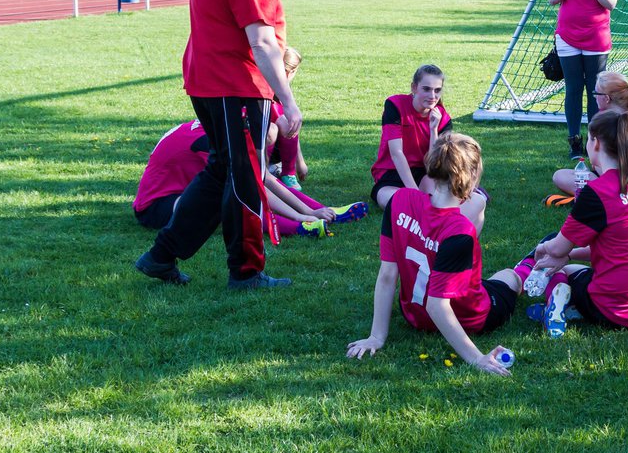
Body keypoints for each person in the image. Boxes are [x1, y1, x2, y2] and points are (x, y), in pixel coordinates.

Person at [134, 0, 310, 289]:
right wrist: (288, 100)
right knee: (245, 177)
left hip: (209, 82)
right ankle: (246, 272)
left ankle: (161, 256)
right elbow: (263, 43)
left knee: (220, 171)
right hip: (236, 87)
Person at [347, 134, 522, 375]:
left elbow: (388, 274)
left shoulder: (399, 200)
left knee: (476, 213)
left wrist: (377, 336)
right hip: (468, 317)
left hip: (414, 314)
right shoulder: (459, 231)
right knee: (510, 276)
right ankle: (538, 263)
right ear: (471, 177)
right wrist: (477, 358)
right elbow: (437, 306)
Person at [523, 110, 628, 337]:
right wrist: (568, 253)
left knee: (562, 266)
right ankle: (574, 308)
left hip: (616, 310)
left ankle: (553, 304)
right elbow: (619, 244)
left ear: (596, 144)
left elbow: (558, 249)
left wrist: (544, 248)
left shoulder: (597, 192)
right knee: (570, 261)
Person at [134, 120, 366, 239]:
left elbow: (265, 178)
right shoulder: (213, 143)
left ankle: (324, 212)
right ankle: (300, 227)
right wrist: (299, 216)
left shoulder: (220, 129)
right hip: (156, 208)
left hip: (180, 195)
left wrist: (313, 208)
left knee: (246, 184)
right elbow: (254, 187)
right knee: (236, 196)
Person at [369, 64, 487, 233]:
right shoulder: (395, 105)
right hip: (391, 174)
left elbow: (436, 164)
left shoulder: (442, 118)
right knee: (393, 203)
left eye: (437, 90)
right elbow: (396, 153)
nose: (432, 96)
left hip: (425, 172)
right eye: (426, 89)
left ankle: (463, 199)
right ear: (414, 87)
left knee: (437, 203)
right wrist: (414, 193)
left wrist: (433, 130)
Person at [548, 0, 623, 160]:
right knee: (573, 87)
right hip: (567, 36)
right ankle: (574, 141)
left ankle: (594, 138)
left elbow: (610, 2)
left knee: (595, 90)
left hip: (596, 37)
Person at [543, 71, 628, 206]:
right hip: (608, 177)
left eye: (596, 94)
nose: (594, 98)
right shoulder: (601, 120)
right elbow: (596, 163)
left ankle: (596, 198)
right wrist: (607, 178)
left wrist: (615, 177)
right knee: (560, 176)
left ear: (606, 98)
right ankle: (604, 197)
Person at [267, 46, 308, 190]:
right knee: (286, 124)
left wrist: (300, 162)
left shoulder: (284, 94)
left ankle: (281, 172)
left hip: (270, 147)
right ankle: (282, 173)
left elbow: (293, 129)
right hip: (258, 145)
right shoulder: (266, 90)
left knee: (289, 123)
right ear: (290, 72)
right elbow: (287, 126)